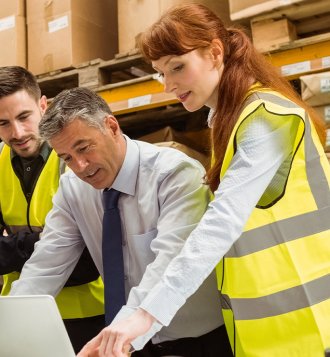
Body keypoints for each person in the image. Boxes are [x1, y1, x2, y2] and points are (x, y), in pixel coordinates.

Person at [78, 4, 330, 357]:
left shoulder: (265, 119)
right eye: (160, 73)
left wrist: (145, 315)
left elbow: (221, 223)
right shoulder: (229, 119)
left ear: (214, 53)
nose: (168, 85)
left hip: (312, 326)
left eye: (177, 67)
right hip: (274, 330)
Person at [9, 86, 232, 357]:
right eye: (66, 157)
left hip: (199, 341)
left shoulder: (174, 175)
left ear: (112, 127)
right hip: (131, 342)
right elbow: (46, 264)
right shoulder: (72, 188)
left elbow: (170, 263)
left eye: (84, 147)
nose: (80, 166)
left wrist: (127, 326)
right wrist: (8, 325)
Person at [0, 66, 106, 353]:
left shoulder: (73, 160)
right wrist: (43, 243)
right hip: (22, 312)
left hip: (90, 314)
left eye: (24, 117)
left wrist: (10, 248)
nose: (17, 132)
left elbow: (89, 259)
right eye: (3, 123)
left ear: (43, 105)